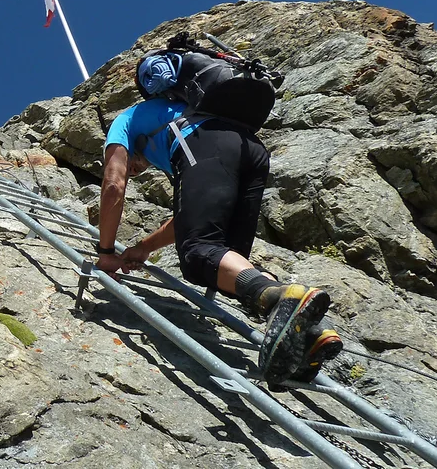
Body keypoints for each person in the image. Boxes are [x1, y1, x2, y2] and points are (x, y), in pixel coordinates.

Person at [92, 54, 342, 385]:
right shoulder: (177, 123)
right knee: (223, 263)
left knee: (198, 254)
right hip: (249, 148)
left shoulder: (127, 120)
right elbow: (186, 219)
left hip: (207, 140)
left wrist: (106, 251)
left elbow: (113, 184)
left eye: (134, 163)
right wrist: (142, 248)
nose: (136, 169)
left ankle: (288, 298)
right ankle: (311, 335)